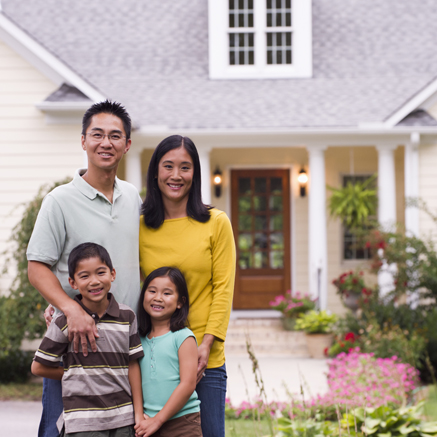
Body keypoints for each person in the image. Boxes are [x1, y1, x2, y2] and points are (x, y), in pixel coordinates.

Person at [27, 100, 142, 437]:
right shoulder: (59, 201)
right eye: (97, 135)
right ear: (83, 141)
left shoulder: (132, 196)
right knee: (59, 430)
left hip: (124, 346)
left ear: (127, 144)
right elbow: (37, 267)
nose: (106, 143)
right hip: (76, 347)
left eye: (115, 136)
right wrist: (69, 310)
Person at [139, 135, 236, 437]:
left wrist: (206, 344)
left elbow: (223, 289)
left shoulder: (216, 223)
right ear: (155, 172)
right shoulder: (139, 226)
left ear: (195, 174)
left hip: (203, 363)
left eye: (185, 167)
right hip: (152, 360)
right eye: (168, 166)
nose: (176, 175)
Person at [31, 243, 144, 436]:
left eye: (101, 272)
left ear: (112, 274)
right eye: (84, 276)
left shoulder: (127, 316)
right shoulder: (64, 321)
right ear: (73, 282)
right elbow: (38, 367)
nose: (94, 281)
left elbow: (132, 364)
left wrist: (139, 415)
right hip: (83, 423)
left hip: (123, 419)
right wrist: (76, 373)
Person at [135, 267, 202, 437]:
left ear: (180, 302)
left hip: (182, 422)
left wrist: (158, 420)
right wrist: (139, 418)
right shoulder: (137, 339)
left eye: (167, 293)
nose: (158, 298)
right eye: (152, 291)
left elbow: (188, 384)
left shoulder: (183, 337)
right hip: (147, 422)